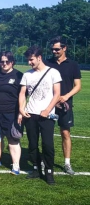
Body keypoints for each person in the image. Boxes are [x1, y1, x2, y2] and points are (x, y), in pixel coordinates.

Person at [19, 45, 61, 185]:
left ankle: (49, 172)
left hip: (47, 115)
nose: (29, 63)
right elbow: (22, 94)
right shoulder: (27, 74)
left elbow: (57, 94)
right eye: (28, 60)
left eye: (31, 60)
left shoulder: (53, 72)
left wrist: (48, 109)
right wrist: (21, 108)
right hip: (31, 114)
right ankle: (36, 168)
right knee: (32, 144)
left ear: (39, 57)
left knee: (47, 144)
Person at [44, 36, 82, 175]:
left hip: (65, 105)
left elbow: (78, 86)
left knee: (65, 133)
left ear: (64, 48)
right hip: (49, 105)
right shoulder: (47, 63)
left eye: (57, 49)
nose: (54, 51)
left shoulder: (73, 65)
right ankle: (45, 161)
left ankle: (67, 163)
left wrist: (66, 96)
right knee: (46, 133)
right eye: (52, 49)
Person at [0, 51, 23, 175]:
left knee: (13, 139)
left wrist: (20, 112)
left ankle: (16, 165)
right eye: (2, 61)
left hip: (11, 113)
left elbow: (23, 96)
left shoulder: (19, 75)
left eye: (7, 61)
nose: (4, 64)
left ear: (12, 62)